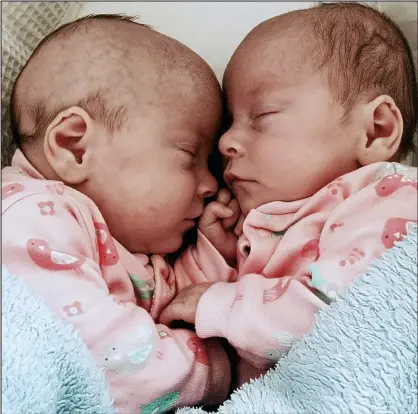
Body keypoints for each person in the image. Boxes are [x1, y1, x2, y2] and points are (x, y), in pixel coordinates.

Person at [160, 2, 418, 385]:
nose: (226, 140)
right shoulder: (260, 224)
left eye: (262, 116)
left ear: (376, 130)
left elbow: (339, 313)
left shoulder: (390, 198)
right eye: (229, 122)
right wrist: (216, 252)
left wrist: (217, 303)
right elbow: (178, 306)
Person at [2, 14, 231, 413]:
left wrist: (214, 252)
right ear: (75, 147)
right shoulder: (28, 216)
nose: (211, 183)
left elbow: (172, 303)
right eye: (190, 156)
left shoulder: (118, 236)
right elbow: (105, 359)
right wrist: (215, 369)